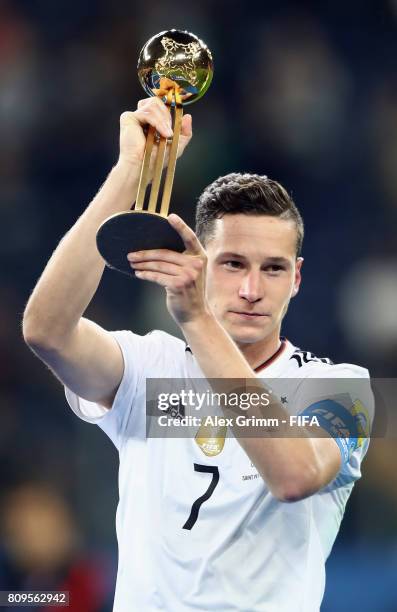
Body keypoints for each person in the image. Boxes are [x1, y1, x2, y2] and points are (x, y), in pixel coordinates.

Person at [23, 96, 373, 612]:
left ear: (296, 279)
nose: (252, 289)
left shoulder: (344, 388)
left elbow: (295, 476)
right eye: (232, 264)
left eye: (273, 268)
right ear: (200, 264)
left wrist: (198, 319)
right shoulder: (149, 368)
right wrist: (129, 173)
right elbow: (46, 331)